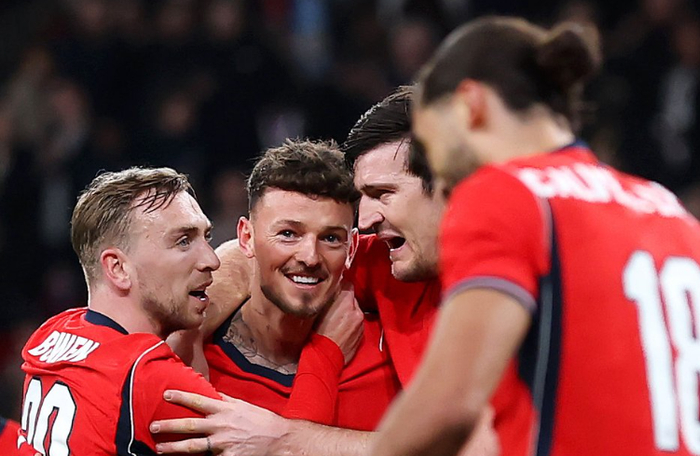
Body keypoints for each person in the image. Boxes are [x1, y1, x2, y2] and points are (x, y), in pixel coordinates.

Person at [372, 16, 700, 456]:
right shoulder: (667, 207)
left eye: (433, 147)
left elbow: (446, 408)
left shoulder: (506, 194)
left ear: (471, 104)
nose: (442, 176)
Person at [151, 89, 496, 455]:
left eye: (383, 193)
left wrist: (287, 437)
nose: (366, 219)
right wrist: (188, 327)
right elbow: (260, 258)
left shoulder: (526, 301)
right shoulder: (394, 259)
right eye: (364, 197)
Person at [19, 167, 222, 454]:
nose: (212, 260)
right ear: (118, 268)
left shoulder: (50, 334)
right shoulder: (152, 378)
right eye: (183, 241)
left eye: (207, 237)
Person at [203, 139, 400, 430]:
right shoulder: (196, 363)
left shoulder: (393, 354)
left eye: (331, 238)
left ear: (352, 249)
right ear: (246, 238)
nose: (310, 257)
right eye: (288, 234)